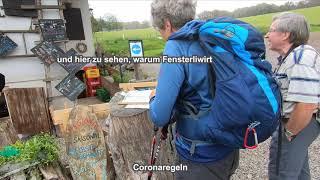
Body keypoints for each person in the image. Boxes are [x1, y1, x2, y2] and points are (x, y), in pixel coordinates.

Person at [148, 0, 239, 179]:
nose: (161, 34)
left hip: (199, 155)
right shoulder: (213, 36)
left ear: (167, 23)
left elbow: (160, 116)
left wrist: (153, 98)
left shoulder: (176, 47)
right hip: (229, 145)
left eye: (159, 29)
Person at [266, 12, 320, 180]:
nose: (267, 35)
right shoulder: (291, 56)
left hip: (298, 122)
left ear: (285, 34)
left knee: (281, 173)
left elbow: (306, 105)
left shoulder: (300, 58)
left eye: (272, 30)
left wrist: (289, 133)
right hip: (299, 123)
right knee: (298, 173)